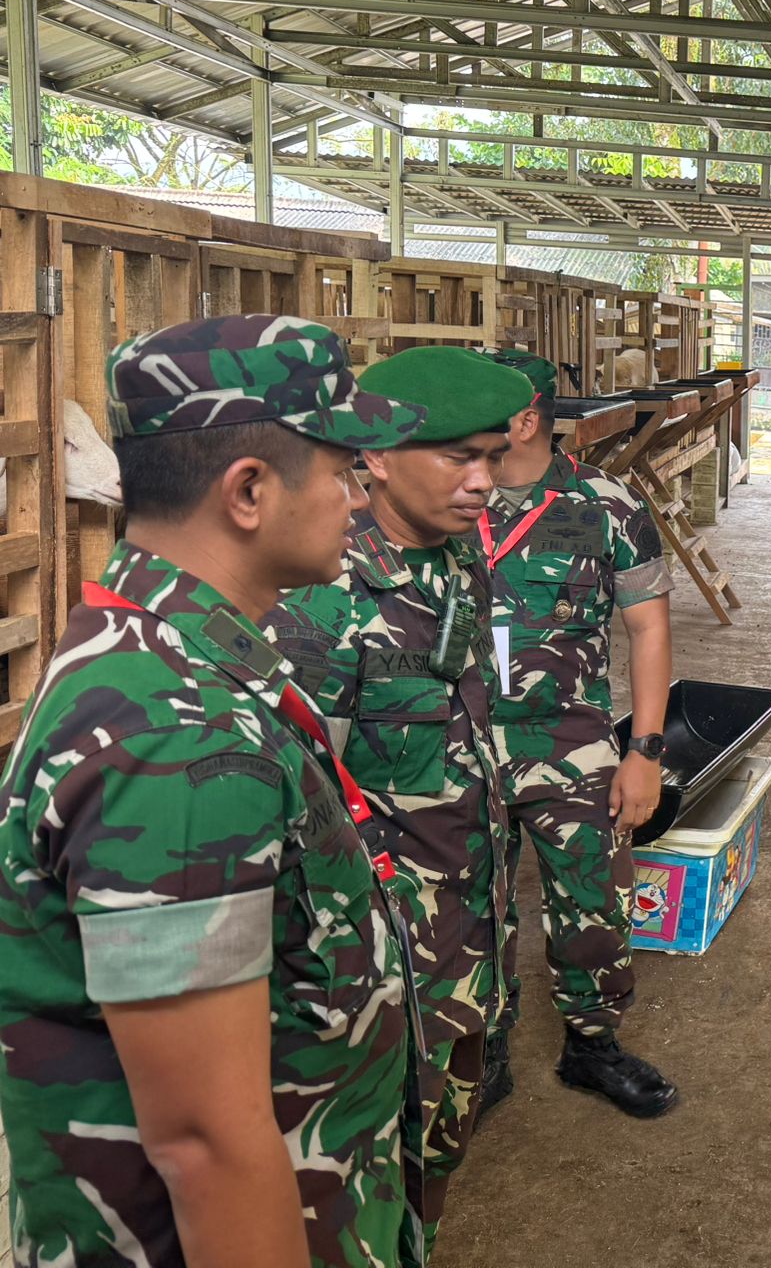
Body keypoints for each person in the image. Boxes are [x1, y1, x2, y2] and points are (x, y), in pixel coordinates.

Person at [0, 315, 428, 1267]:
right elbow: (205, 1149)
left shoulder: (181, 655)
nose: (360, 499)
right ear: (249, 491)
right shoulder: (176, 736)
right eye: (343, 471)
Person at [264, 344, 532, 1251]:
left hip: (465, 940)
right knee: (357, 1202)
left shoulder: (458, 563)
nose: (483, 481)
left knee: (436, 1164)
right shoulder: (324, 600)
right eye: (459, 458)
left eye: (492, 457)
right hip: (375, 977)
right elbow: (301, 824)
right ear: (374, 458)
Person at [476, 350, 678, 1120]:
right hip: (456, 741)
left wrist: (644, 751)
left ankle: (592, 1044)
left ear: (527, 418)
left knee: (593, 900)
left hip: (570, 741)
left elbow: (648, 630)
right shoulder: (447, 496)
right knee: (466, 907)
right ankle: (481, 1049)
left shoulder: (604, 505)